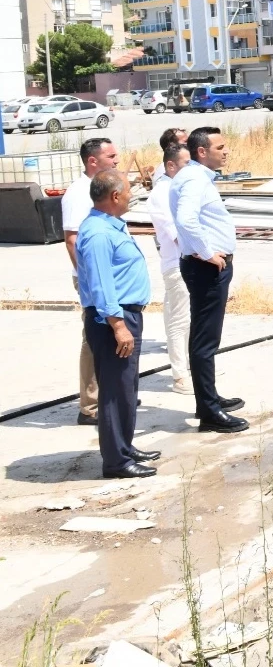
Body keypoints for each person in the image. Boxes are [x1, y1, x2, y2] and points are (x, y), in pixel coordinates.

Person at [77, 169, 160, 478]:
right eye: (128, 192)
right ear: (114, 196)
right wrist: (118, 325)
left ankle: (124, 446)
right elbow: (101, 285)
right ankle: (116, 462)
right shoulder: (99, 233)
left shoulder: (110, 225)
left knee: (126, 388)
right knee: (114, 391)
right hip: (112, 320)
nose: (130, 197)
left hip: (124, 316)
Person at [170, 127, 248, 434]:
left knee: (206, 338)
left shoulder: (197, 177)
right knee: (205, 340)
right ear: (202, 152)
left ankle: (209, 398)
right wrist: (207, 253)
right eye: (220, 147)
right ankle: (209, 412)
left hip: (206, 265)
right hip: (206, 268)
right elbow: (185, 219)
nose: (226, 151)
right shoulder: (194, 179)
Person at [61, 138, 119, 426]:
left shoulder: (101, 188)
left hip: (107, 276)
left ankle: (111, 395)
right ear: (93, 161)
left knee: (110, 337)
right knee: (93, 339)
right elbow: (71, 240)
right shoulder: (78, 193)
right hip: (91, 278)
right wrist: (88, 278)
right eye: (111, 156)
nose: (117, 160)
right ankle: (91, 406)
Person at [146, 142, 193, 394]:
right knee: (179, 321)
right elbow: (178, 234)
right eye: (186, 163)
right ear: (171, 165)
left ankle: (191, 367)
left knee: (188, 319)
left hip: (190, 261)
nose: (191, 167)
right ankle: (180, 376)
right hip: (178, 264)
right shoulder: (162, 193)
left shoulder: (179, 188)